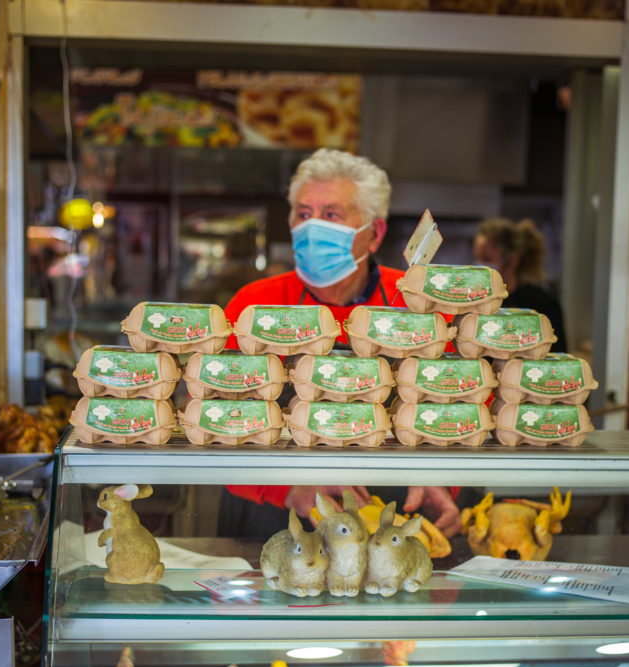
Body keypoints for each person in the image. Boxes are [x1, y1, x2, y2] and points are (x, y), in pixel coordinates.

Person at [218, 148, 461, 541]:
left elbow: (462, 406)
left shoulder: (417, 303)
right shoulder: (253, 306)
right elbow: (218, 423)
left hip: (393, 509)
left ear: (375, 232)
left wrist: (441, 480)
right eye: (303, 213)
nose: (312, 226)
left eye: (330, 215)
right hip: (274, 519)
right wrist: (286, 490)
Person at [472, 216, 568, 352]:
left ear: (512, 260)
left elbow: (558, 359)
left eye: (487, 259)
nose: (480, 266)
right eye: (477, 258)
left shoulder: (543, 305)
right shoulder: (475, 303)